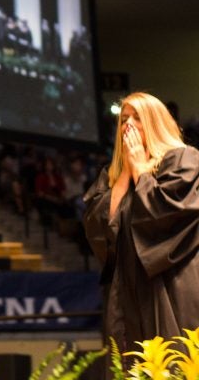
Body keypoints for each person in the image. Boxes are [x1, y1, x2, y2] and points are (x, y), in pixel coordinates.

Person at [82, 92, 199, 370]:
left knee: (174, 361)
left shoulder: (184, 160)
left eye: (137, 118)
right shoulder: (110, 178)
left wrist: (141, 173)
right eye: (124, 119)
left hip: (171, 284)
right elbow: (101, 228)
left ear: (155, 122)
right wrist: (125, 172)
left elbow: (165, 216)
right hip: (126, 289)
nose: (128, 125)